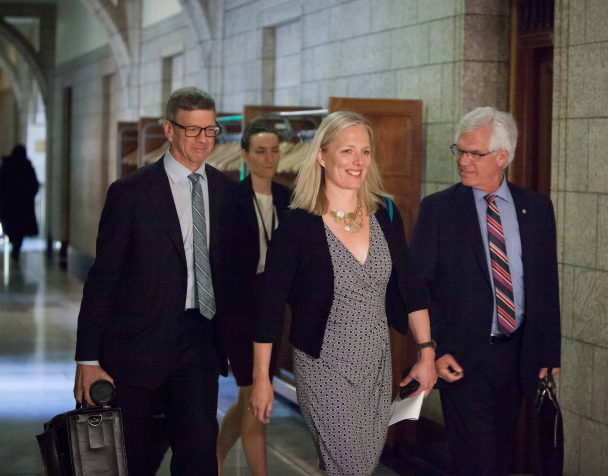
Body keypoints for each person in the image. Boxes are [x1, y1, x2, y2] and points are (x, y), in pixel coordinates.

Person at [250, 111, 437, 476]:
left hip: (377, 365)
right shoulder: (297, 224)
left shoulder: (385, 213)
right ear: (322, 155)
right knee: (350, 467)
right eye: (347, 151)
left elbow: (411, 289)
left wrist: (426, 353)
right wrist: (261, 380)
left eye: (365, 152)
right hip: (324, 365)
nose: (358, 161)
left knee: (357, 467)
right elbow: (269, 309)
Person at [73, 87, 236, 476]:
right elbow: (103, 278)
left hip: (198, 340)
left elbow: (235, 275)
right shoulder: (130, 192)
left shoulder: (228, 193)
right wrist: (88, 358)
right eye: (192, 130)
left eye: (210, 130)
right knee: (132, 460)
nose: (203, 140)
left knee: (198, 456)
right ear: (168, 129)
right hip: (134, 346)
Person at [410, 107, 561, 476]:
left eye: (474, 153)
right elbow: (416, 289)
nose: (463, 161)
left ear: (502, 157)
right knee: (475, 463)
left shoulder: (537, 208)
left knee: (501, 456)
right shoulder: (438, 210)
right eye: (459, 150)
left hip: (519, 357)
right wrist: (434, 350)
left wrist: (549, 353)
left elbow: (545, 287)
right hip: (462, 359)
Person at [216, 122, 291, 475]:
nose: (269, 158)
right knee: (255, 399)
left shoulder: (289, 199)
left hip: (272, 312)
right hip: (239, 312)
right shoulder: (231, 199)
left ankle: (211, 462)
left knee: (250, 397)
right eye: (260, 151)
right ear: (244, 155)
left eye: (275, 150)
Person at [0, 145, 39, 260]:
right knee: (20, 227)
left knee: (10, 225)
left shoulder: (7, 166)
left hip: (8, 204)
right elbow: (34, 185)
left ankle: (14, 243)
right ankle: (17, 245)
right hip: (23, 205)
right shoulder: (27, 167)